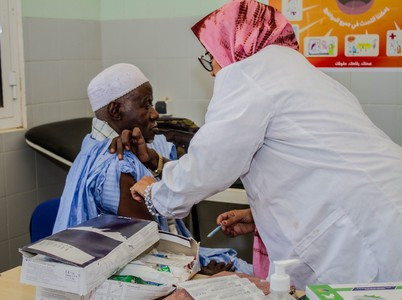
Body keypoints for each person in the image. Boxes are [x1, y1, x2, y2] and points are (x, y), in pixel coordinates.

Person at [113, 0, 402, 289]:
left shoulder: (247, 74)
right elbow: (316, 164)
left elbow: (210, 163)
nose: (213, 69)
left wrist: (156, 194)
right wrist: (260, 216)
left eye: (210, 54)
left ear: (235, 41)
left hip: (361, 232)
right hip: (385, 210)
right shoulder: (300, 73)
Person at [52, 63, 251, 274]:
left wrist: (153, 161)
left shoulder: (123, 146)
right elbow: (154, 247)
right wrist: (199, 270)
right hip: (160, 267)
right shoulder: (116, 165)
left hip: (174, 257)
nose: (155, 114)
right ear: (115, 111)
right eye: (146, 105)